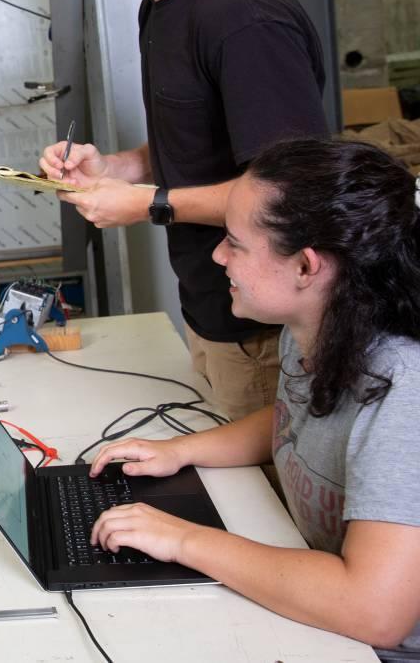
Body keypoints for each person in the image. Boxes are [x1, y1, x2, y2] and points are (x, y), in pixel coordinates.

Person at [36, 0, 329, 419]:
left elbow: (289, 194)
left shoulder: (245, 20)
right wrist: (116, 166)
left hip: (261, 339)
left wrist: (146, 203)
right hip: (209, 315)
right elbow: (200, 133)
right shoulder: (161, 9)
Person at [87, 138, 420, 655]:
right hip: (317, 598)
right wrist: (180, 451)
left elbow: (375, 612)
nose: (219, 254)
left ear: (307, 267)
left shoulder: (404, 391)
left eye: (236, 243)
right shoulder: (312, 326)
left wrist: (182, 540)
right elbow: (293, 418)